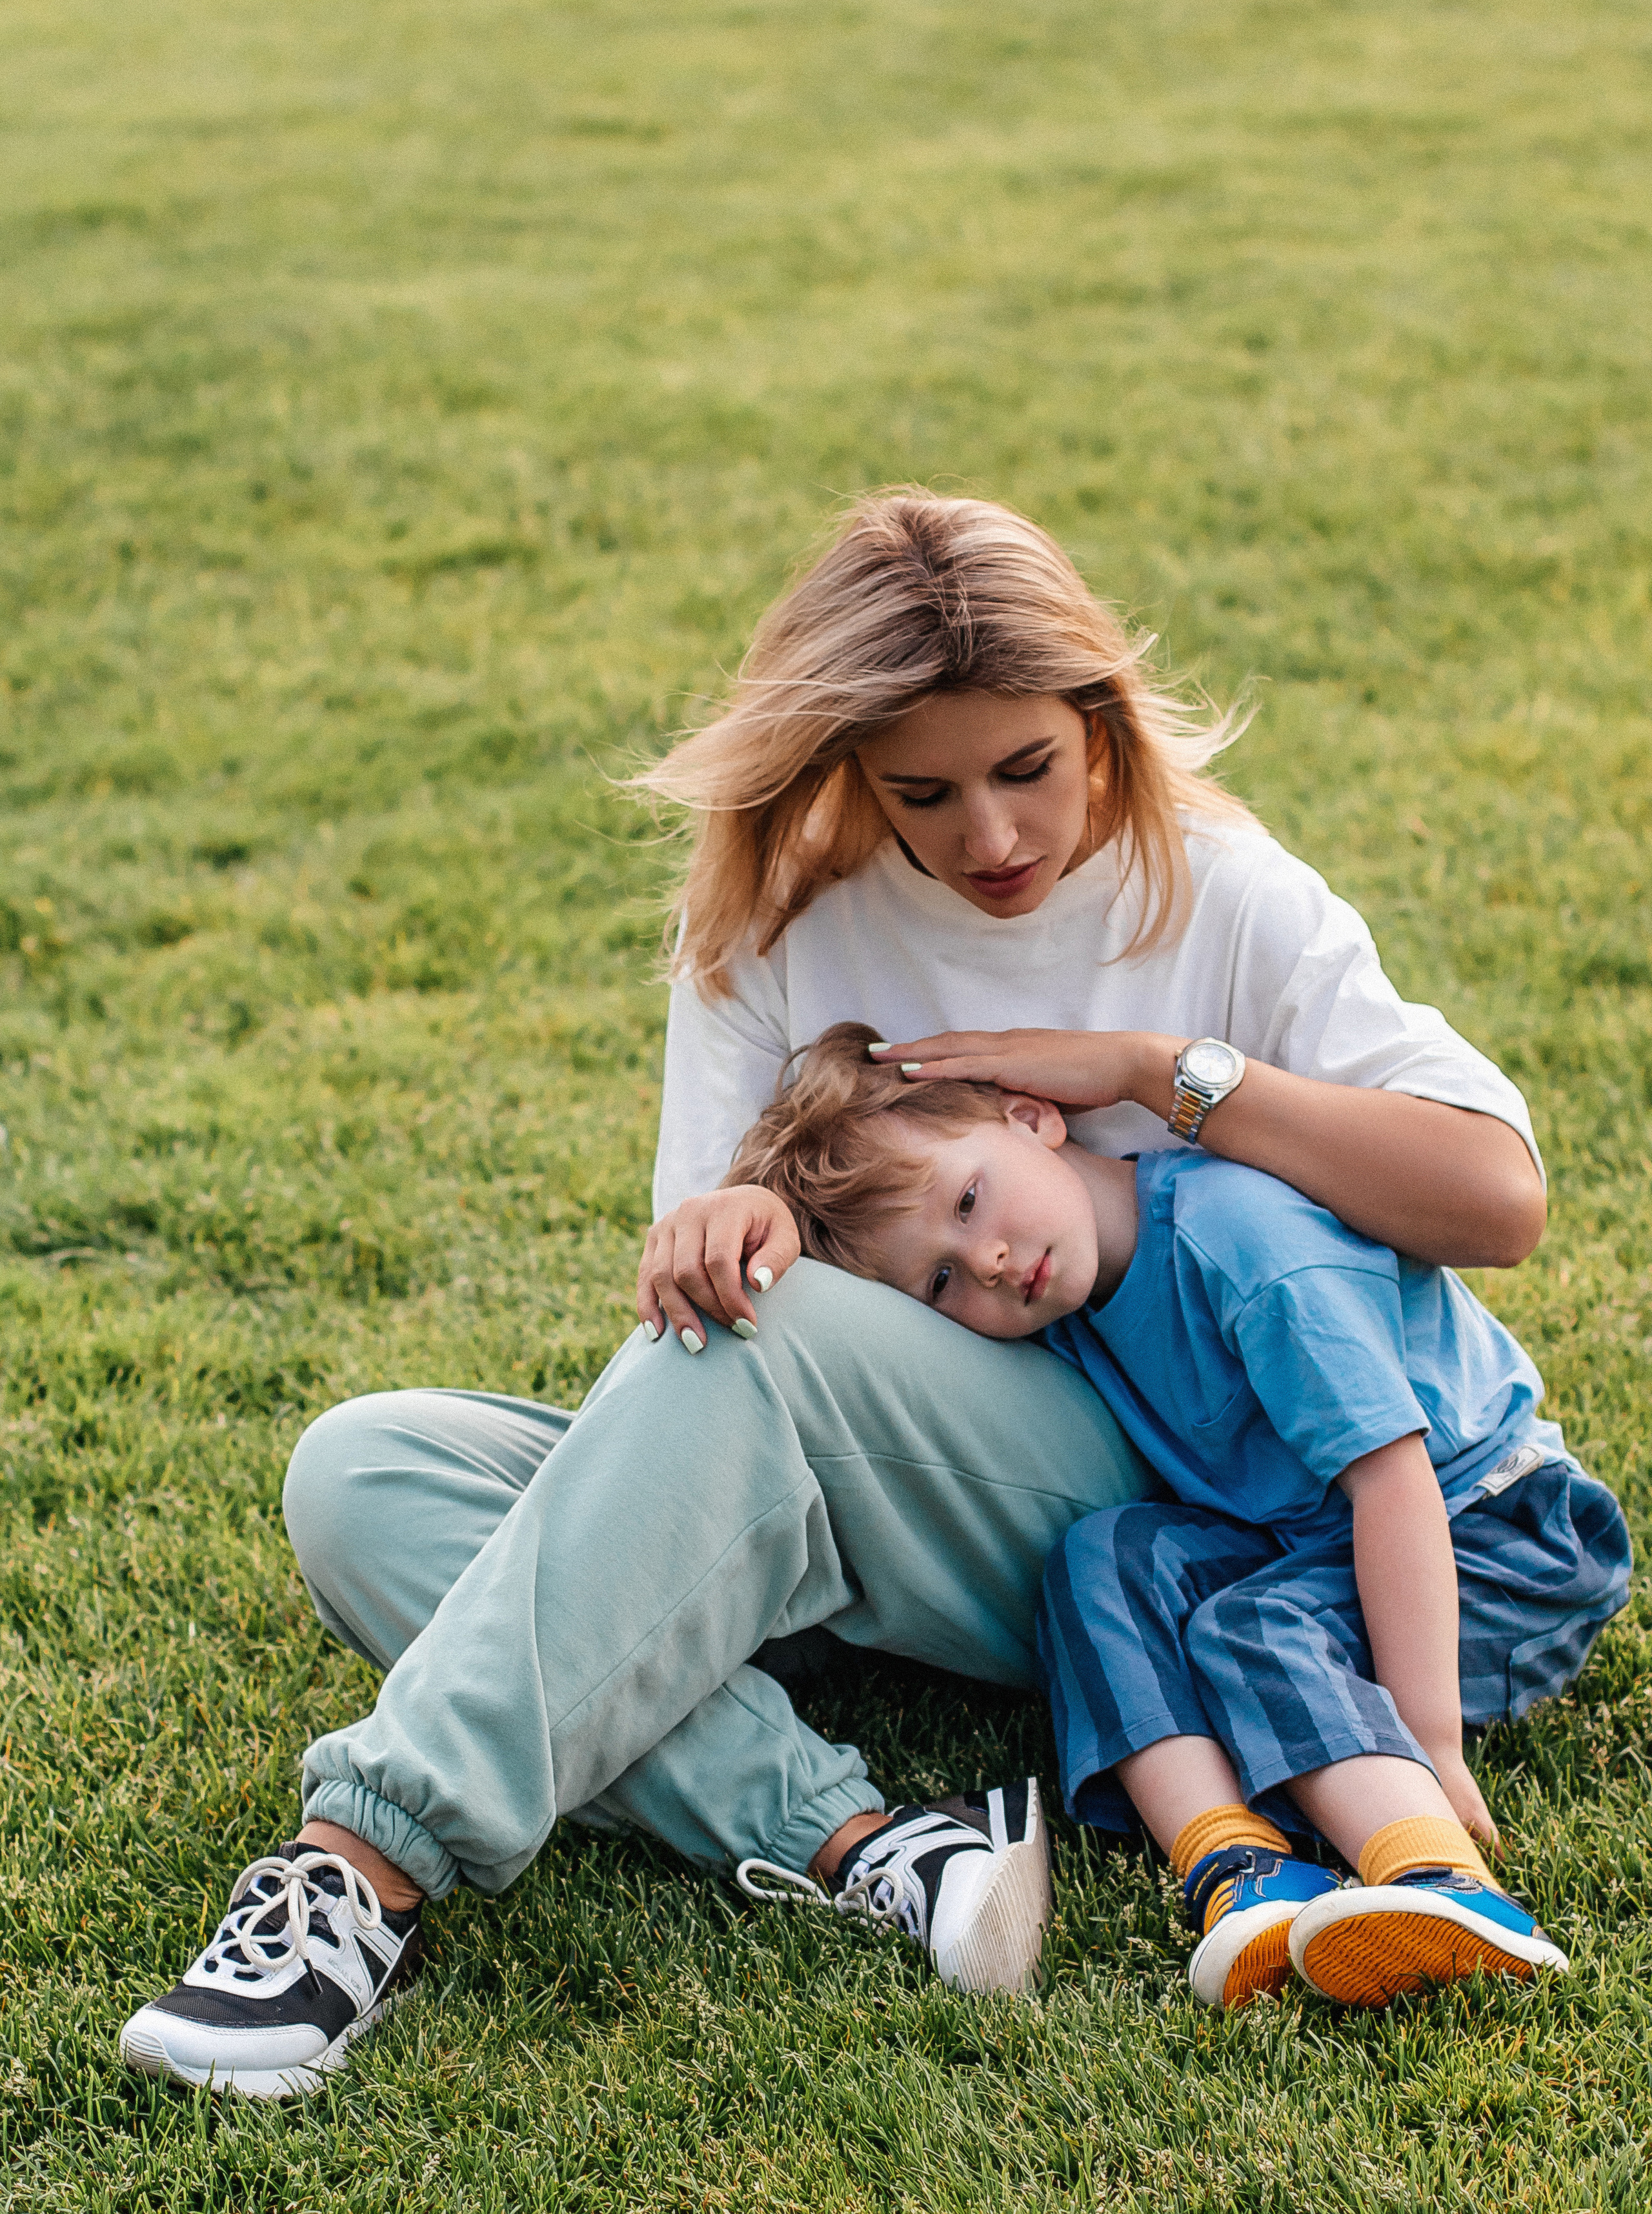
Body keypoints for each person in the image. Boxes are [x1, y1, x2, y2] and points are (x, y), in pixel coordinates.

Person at [118, 490, 1551, 2095]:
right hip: (861, 1480)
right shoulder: (774, 925)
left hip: (1161, 1502)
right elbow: (693, 1343)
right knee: (364, 1474)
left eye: (1027, 770)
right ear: (846, 772)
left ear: (1098, 721)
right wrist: (720, 1214)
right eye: (922, 792)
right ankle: (866, 1843)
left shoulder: (1213, 884)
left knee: (771, 1334)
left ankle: (358, 1866)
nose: (990, 840)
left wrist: (1160, 1074)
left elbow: (1495, 1198)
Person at [726, 1021, 1629, 2010]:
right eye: (939, 1280)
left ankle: (1443, 1875)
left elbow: (1395, 1479)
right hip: (1312, 1539)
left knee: (1252, 1627)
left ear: (1034, 1119)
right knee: (1099, 1558)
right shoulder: (1067, 1309)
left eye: (970, 1199)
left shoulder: (1239, 1240)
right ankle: (1243, 1873)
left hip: (1496, 1533)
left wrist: (1432, 1741)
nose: (984, 1261)